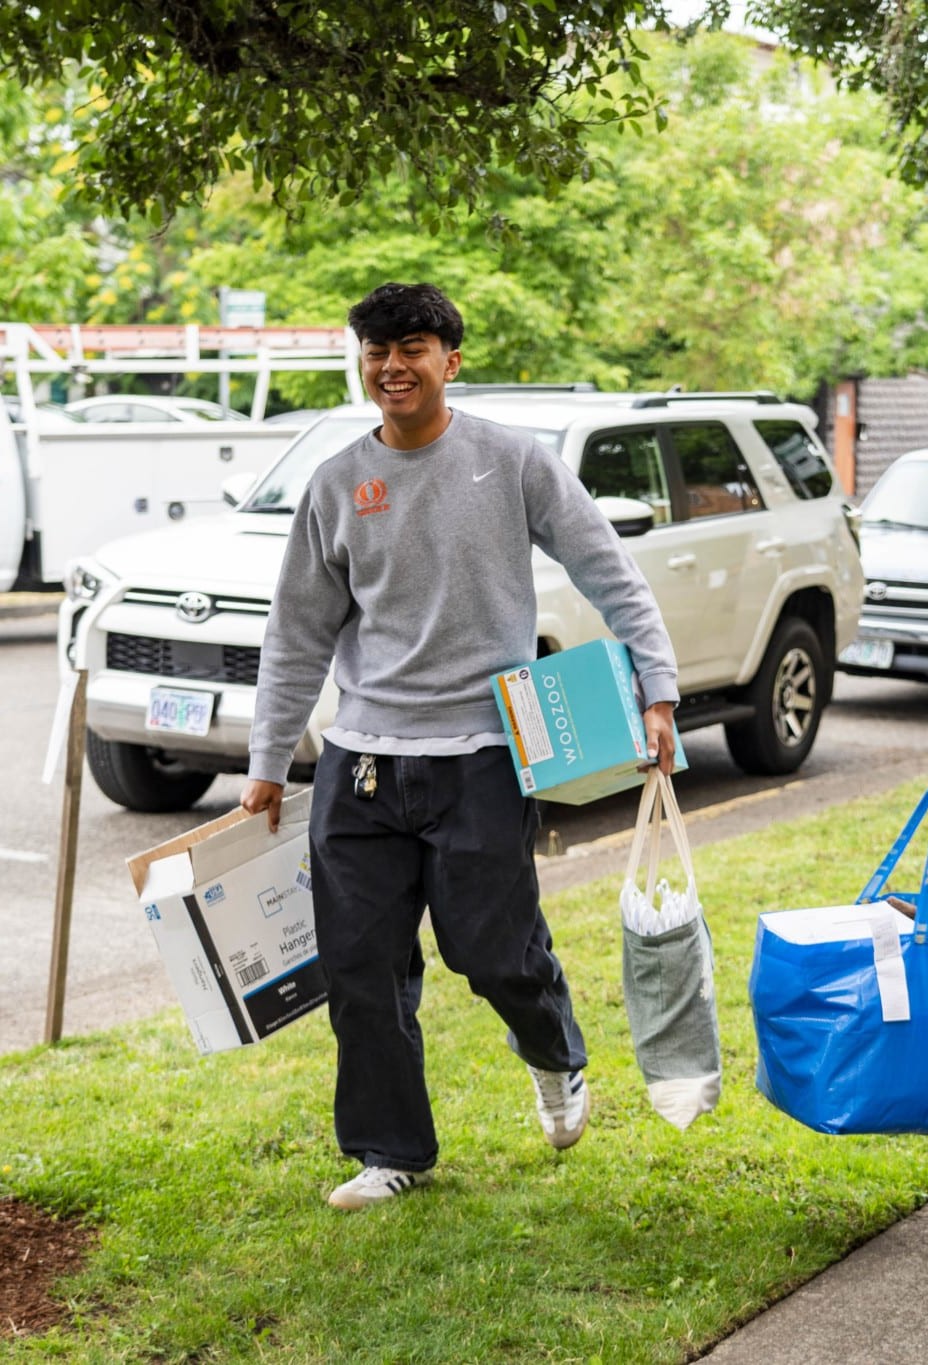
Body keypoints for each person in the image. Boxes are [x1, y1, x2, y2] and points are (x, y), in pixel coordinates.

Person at [240, 282, 679, 1211]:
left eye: (411, 347)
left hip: (480, 752)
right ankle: (389, 1149)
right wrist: (267, 764)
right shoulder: (334, 484)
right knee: (360, 968)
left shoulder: (511, 462)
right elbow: (297, 634)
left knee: (491, 952)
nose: (391, 366)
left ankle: (554, 1053)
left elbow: (611, 572)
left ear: (450, 357)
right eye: (374, 351)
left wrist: (659, 689)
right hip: (360, 761)